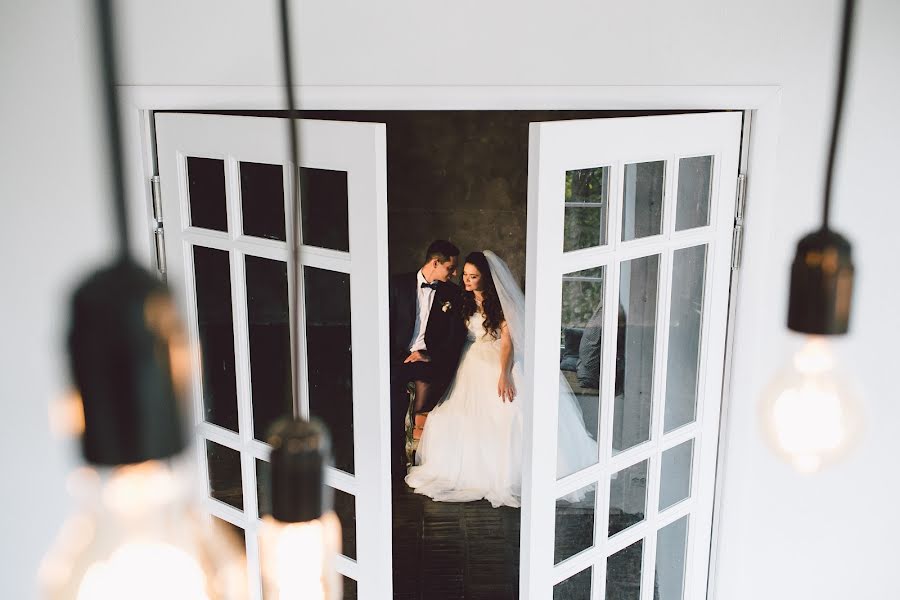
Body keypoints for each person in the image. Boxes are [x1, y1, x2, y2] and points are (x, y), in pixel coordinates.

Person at [406, 251, 598, 508]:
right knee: (455, 416)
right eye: (464, 275)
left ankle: (507, 472)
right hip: (468, 357)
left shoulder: (499, 303)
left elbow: (507, 342)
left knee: (508, 410)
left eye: (473, 277)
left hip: (496, 355)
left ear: (486, 278)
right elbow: (447, 333)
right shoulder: (459, 298)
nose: (466, 280)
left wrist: (504, 374)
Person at [388, 240, 466, 479]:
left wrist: (427, 355)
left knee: (431, 399)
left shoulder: (452, 294)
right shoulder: (397, 284)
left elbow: (455, 338)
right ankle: (393, 460)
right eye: (450, 268)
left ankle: (424, 459)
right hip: (398, 358)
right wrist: (400, 355)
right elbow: (385, 325)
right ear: (435, 262)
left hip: (430, 361)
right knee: (390, 397)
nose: (454, 274)